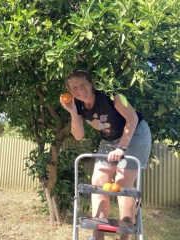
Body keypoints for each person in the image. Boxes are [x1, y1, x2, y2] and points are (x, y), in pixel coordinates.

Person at [60, 70, 151, 240]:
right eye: (74, 88)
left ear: (91, 83)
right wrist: (72, 112)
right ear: (70, 91)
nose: (80, 90)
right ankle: (98, 236)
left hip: (135, 135)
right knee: (97, 183)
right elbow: (78, 136)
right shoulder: (77, 105)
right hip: (109, 140)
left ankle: (125, 237)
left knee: (123, 184)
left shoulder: (111, 95)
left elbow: (132, 119)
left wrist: (121, 149)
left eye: (83, 84)